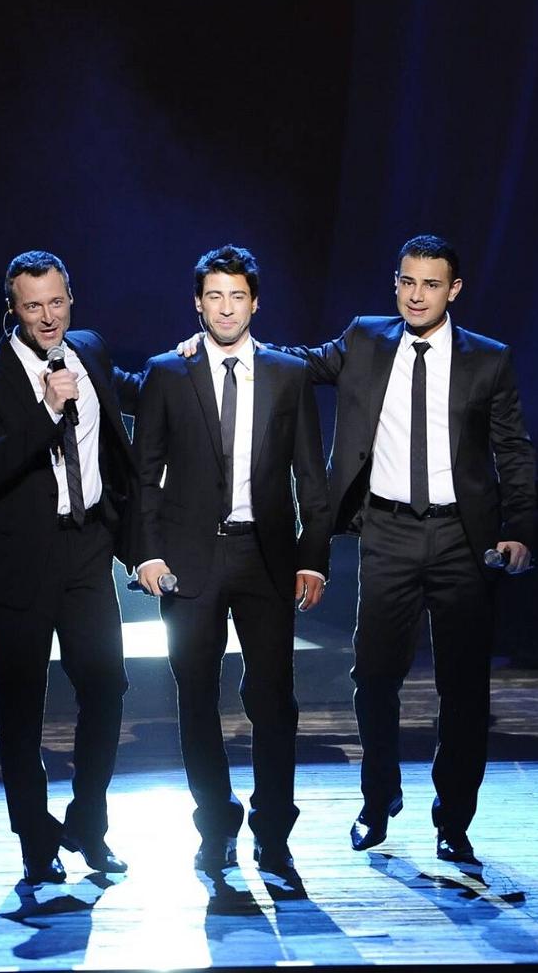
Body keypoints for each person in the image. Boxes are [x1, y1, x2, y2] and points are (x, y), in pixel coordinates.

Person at [278, 235, 536, 864]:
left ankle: (453, 820)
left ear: (454, 290)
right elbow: (299, 364)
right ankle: (378, 798)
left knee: (464, 687)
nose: (416, 296)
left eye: (430, 284)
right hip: (387, 533)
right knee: (373, 677)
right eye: (407, 282)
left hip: (462, 539)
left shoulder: (488, 359)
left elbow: (513, 449)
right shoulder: (365, 338)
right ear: (396, 283)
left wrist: (520, 527)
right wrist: (225, 345)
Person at [132, 245, 332, 879]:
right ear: (198, 303)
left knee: (273, 696)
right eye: (214, 296)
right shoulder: (167, 372)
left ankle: (273, 831)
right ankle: (216, 824)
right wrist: (146, 553)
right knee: (196, 694)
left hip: (265, 554)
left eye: (237, 296)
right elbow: (144, 475)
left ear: (255, 303)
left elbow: (312, 475)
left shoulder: (287, 375)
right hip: (188, 559)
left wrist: (313, 558)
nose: (225, 308)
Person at [0, 250, 139, 885]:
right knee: (22, 706)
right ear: (13, 310)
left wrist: (187, 361)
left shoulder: (90, 350)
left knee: (106, 688)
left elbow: (133, 390)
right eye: (34, 307)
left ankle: (88, 823)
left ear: (71, 299)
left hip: (87, 548)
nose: (49, 317)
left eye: (57, 302)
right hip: (18, 561)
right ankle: (36, 841)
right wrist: (48, 410)